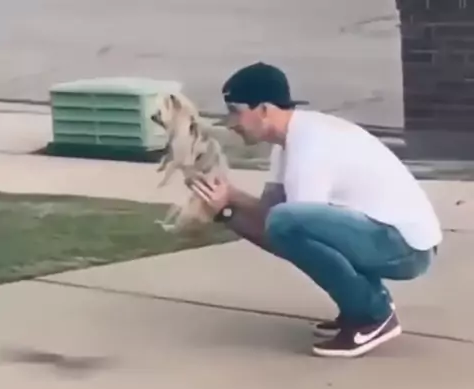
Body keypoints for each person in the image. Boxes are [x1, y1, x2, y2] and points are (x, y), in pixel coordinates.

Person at [188, 62, 442, 358]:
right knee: (285, 221)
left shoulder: (310, 146)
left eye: (235, 111)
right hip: (389, 238)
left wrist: (230, 212)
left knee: (287, 223)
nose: (230, 123)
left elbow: (284, 229)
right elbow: (270, 214)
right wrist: (229, 200)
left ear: (265, 109)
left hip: (407, 248)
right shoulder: (289, 142)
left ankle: (374, 315)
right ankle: (363, 306)